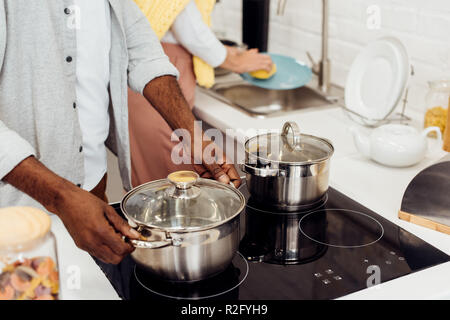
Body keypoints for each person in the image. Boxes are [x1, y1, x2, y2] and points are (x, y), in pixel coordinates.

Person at [0, 0, 240, 264]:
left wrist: (191, 134)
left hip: (93, 197)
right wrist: (62, 198)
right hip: (15, 217)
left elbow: (143, 53)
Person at [129, 0, 273, 186]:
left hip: (144, 72)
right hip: (161, 72)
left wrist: (228, 52)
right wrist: (235, 62)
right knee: (174, 174)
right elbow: (188, 27)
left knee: (150, 178)